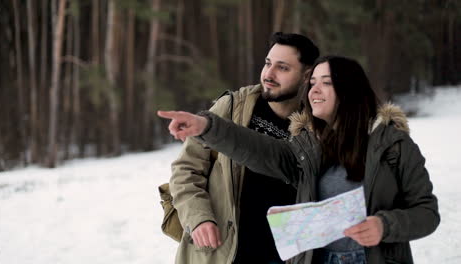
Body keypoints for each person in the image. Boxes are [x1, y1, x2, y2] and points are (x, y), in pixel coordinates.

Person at [158, 55, 440, 264]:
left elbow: (426, 213)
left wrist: (385, 225)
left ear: (351, 90)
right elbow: (258, 149)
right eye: (313, 82)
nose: (314, 90)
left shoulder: (394, 145)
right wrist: (207, 127)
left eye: (326, 83)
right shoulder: (307, 147)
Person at [166, 32, 319, 264]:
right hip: (223, 250)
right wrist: (199, 217)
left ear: (306, 75)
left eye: (282, 68)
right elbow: (186, 168)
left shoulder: (314, 126)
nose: (269, 74)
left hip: (282, 256)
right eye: (268, 63)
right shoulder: (233, 107)